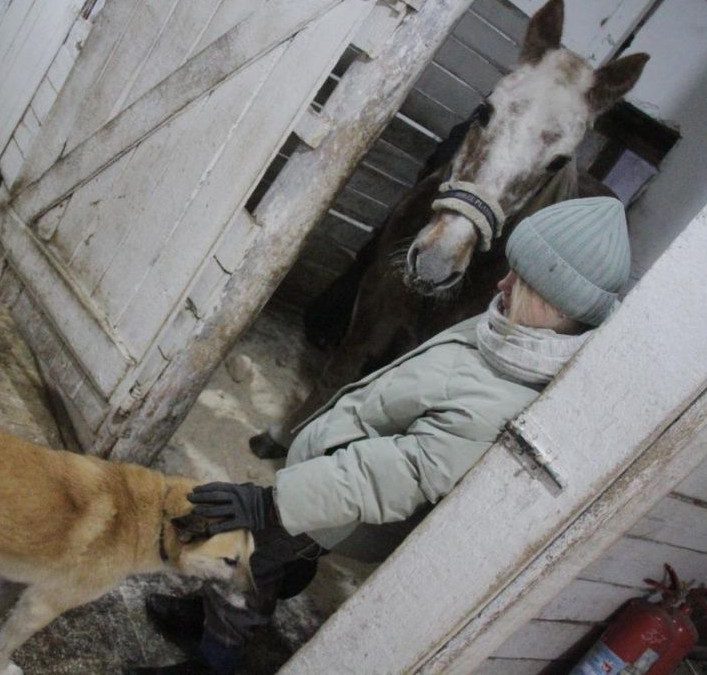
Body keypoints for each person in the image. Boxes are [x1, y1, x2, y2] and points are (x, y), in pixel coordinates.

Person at [130, 196, 631, 674]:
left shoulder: (509, 396)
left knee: (248, 560)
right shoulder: (507, 333)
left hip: (337, 497)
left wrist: (276, 501)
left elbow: (398, 472)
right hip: (325, 476)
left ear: (559, 308)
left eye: (520, 281)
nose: (501, 283)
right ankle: (210, 613)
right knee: (264, 560)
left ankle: (214, 662)